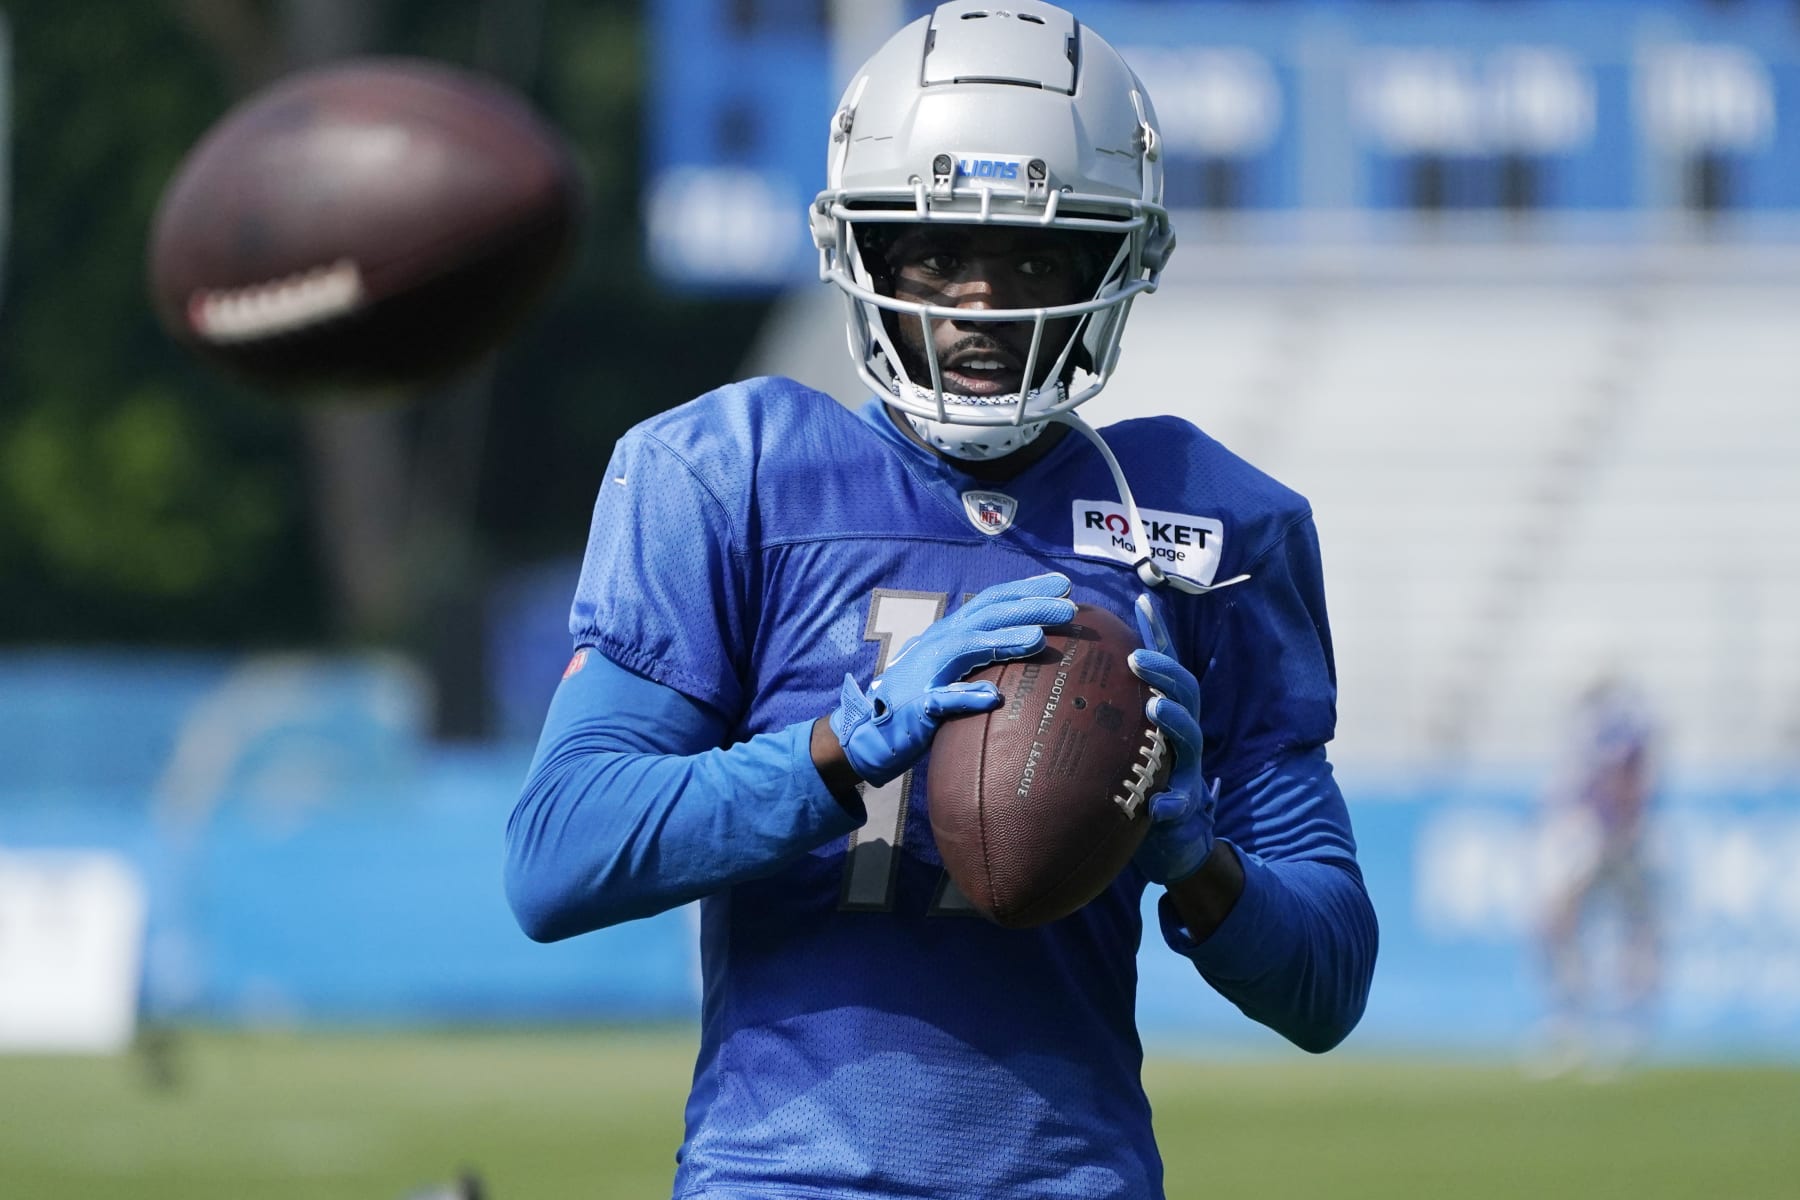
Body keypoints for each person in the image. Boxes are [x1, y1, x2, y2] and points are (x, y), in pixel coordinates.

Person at [505, 3, 1377, 1196]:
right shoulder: (731, 472)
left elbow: (1328, 982)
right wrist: (838, 751)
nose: (982, 300)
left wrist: (1203, 861)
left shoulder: (1210, 521)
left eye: (1037, 256)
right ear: (863, 254)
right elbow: (558, 858)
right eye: (937, 251)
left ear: (1116, 262)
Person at [1534, 674, 1660, 1077]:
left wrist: (1615, 827)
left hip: (1613, 837)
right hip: (1595, 835)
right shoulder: (1598, 731)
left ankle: (1619, 1022)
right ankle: (1580, 1020)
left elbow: (1628, 784)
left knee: (1624, 925)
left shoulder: (1620, 730)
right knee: (1568, 923)